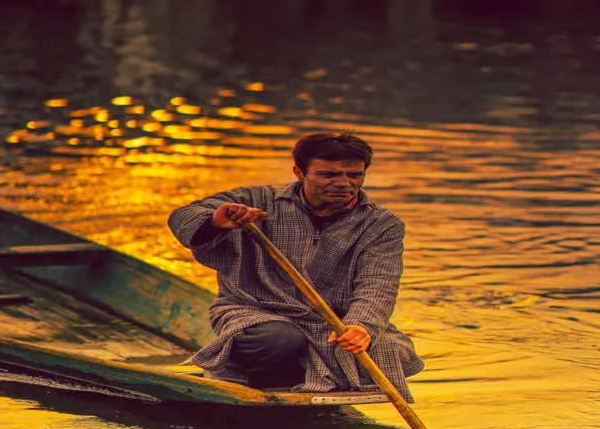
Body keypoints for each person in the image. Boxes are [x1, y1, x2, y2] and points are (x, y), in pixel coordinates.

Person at [168, 131, 423, 401]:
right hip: (253, 310)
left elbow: (378, 284)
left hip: (330, 321)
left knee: (391, 350)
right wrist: (216, 220)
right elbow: (183, 216)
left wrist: (361, 327)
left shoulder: (382, 224)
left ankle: (299, 377)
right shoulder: (259, 200)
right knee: (280, 339)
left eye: (354, 175)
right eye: (328, 175)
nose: (343, 184)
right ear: (299, 172)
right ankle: (231, 367)